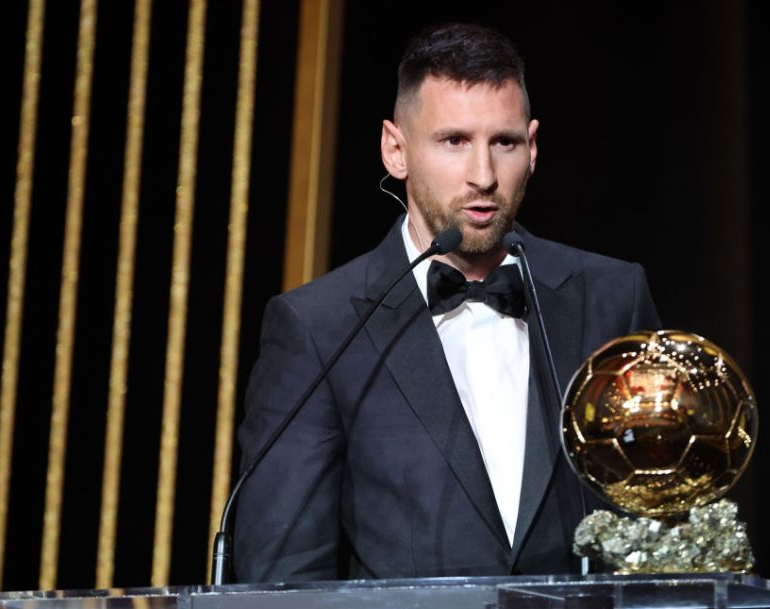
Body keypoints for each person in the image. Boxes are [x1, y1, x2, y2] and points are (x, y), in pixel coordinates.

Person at [234, 23, 660, 582]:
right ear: (396, 150)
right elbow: (283, 575)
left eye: (503, 143)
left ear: (531, 148)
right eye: (453, 141)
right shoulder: (318, 327)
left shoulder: (612, 298)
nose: (482, 176)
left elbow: (665, 524)